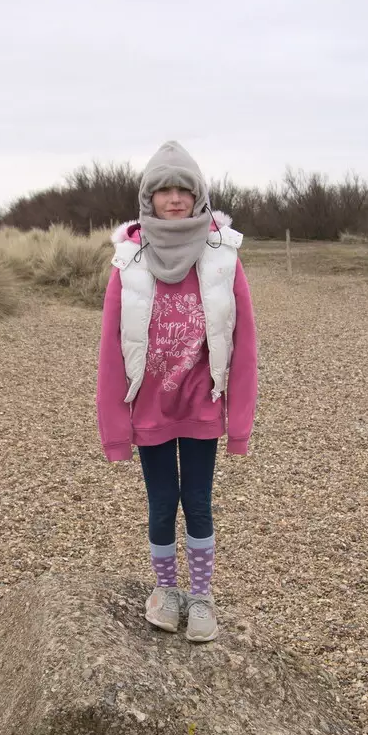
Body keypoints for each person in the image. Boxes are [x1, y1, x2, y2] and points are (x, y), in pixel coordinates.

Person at [96, 141, 258, 642]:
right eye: (162, 190)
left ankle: (202, 595)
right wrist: (116, 432)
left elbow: (245, 341)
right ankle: (167, 591)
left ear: (198, 196)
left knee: (200, 500)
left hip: (201, 405)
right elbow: (110, 352)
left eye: (183, 190)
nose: (173, 199)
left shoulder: (223, 255)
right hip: (151, 408)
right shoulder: (129, 262)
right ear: (149, 197)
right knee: (162, 501)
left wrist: (240, 425)